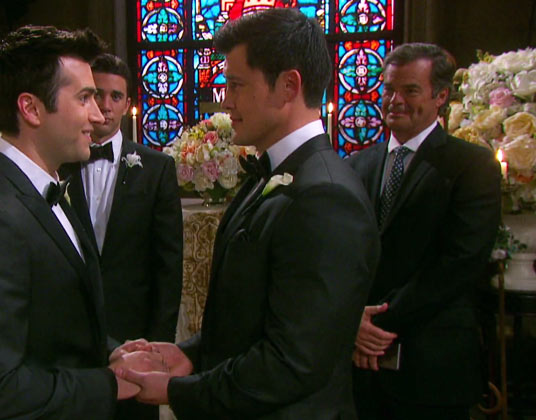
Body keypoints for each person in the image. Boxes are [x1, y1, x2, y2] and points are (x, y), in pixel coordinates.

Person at [118, 8, 380, 419]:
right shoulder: (273, 172)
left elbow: (292, 362)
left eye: (236, 85)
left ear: (289, 86)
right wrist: (190, 354)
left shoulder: (326, 197)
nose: (226, 100)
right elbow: (250, 320)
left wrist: (178, 392)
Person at [0, 26, 165, 420]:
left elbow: (50, 331)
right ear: (32, 109)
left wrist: (110, 351)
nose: (98, 115)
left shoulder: (48, 186)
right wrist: (107, 383)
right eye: (85, 98)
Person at [348, 43, 501, 420]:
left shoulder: (471, 165)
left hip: (431, 363)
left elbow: (460, 262)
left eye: (411, 90)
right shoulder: (356, 165)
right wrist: (351, 320)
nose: (395, 100)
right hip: (357, 366)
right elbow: (340, 254)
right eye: (389, 89)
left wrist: (376, 323)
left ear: (441, 96)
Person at [59, 53, 183, 419]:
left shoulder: (157, 168)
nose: (105, 105)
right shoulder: (57, 166)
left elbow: (168, 267)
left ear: (128, 103)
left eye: (116, 96)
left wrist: (156, 349)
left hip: (134, 338)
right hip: (72, 338)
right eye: (96, 94)